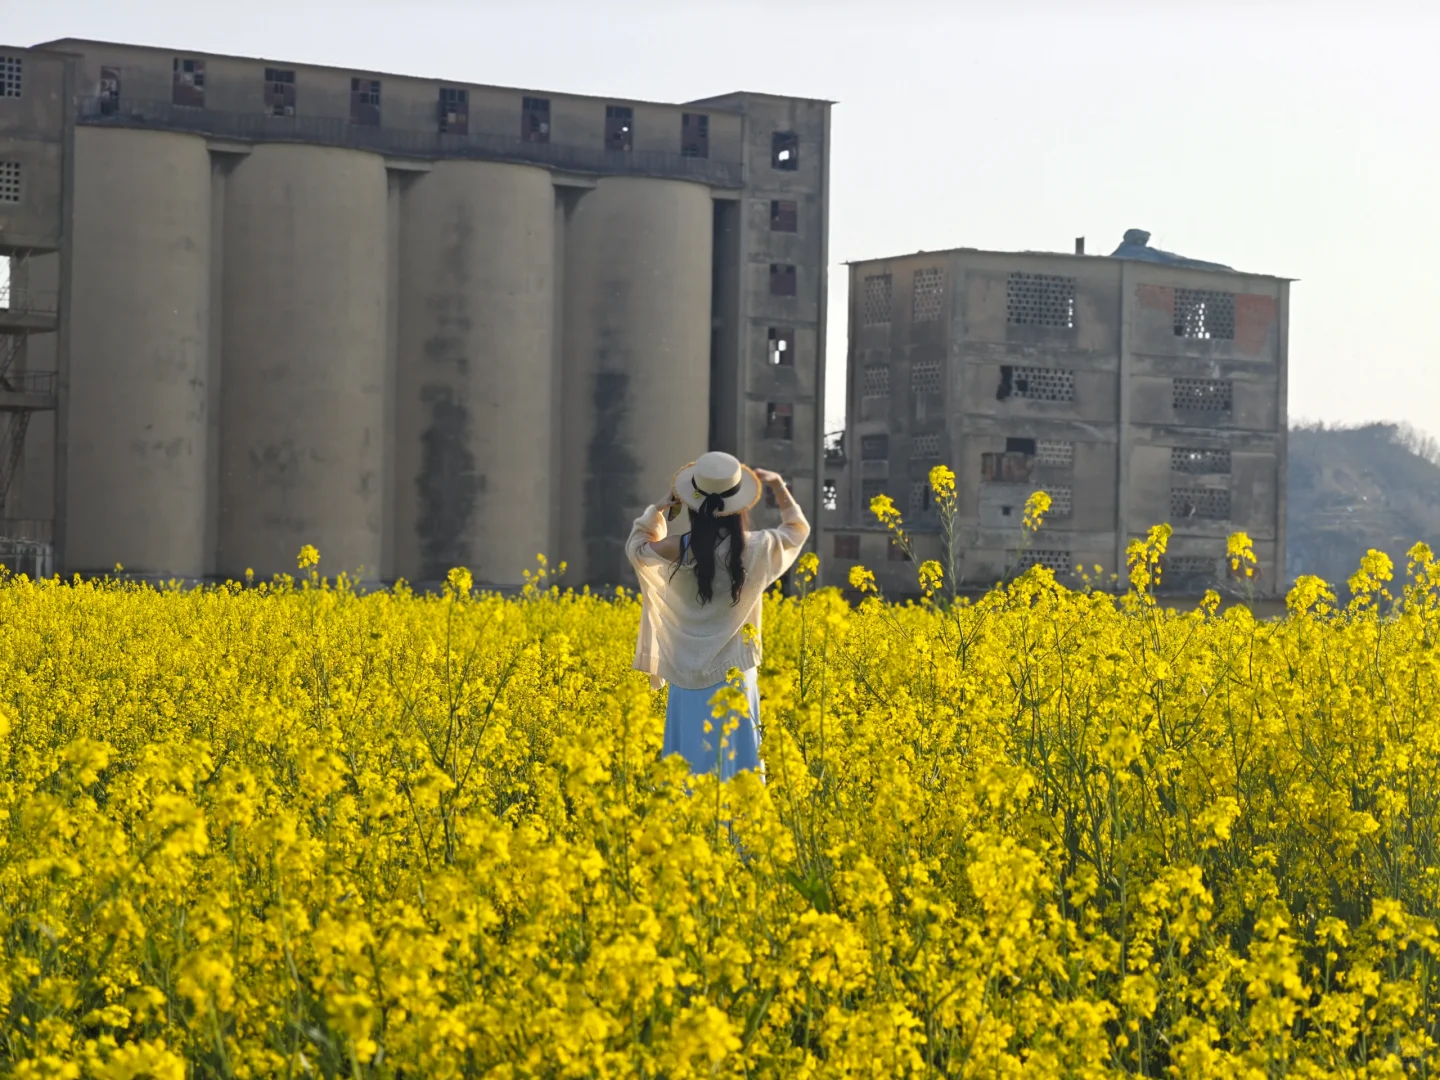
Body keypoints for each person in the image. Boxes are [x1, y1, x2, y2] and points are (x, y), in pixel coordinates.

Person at [626, 451, 810, 780]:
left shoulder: (676, 548)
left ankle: (688, 829)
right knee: (737, 769)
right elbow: (797, 529)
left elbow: (637, 547)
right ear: (739, 508)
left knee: (687, 766)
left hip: (686, 676)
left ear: (694, 505)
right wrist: (779, 486)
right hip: (737, 676)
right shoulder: (760, 548)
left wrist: (660, 510)